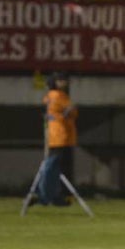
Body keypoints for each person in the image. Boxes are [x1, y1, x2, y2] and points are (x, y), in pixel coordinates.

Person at [37, 72, 76, 207]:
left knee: (52, 167)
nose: (65, 83)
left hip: (53, 136)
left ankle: (50, 195)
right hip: (62, 136)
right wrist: (70, 111)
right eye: (62, 80)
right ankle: (55, 196)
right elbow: (71, 111)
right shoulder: (59, 96)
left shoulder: (48, 97)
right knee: (60, 168)